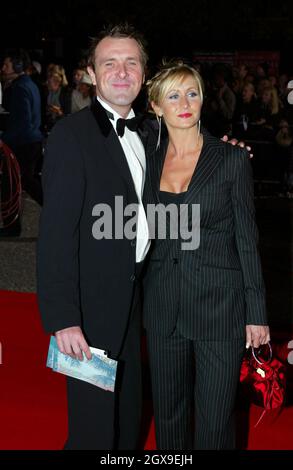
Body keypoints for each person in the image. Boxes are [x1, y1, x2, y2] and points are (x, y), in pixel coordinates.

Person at [143, 61, 270, 450]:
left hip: (220, 307)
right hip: (164, 305)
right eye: (174, 95)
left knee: (215, 420)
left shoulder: (230, 158)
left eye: (193, 93)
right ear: (156, 106)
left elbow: (247, 240)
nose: (185, 102)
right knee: (168, 415)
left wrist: (257, 314)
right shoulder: (143, 159)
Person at [37, 23, 150, 450]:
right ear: (91, 73)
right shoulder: (71, 135)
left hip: (136, 304)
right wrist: (63, 317)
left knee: (127, 422)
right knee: (93, 431)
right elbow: (56, 235)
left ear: (143, 73)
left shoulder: (153, 133)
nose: (121, 72)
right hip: (89, 309)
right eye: (110, 63)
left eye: (131, 62)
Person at [0, 49, 43, 236]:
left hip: (22, 143)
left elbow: (22, 122)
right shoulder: (28, 84)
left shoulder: (19, 88)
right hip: (31, 141)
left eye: (7, 65)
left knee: (13, 184)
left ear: (17, 66)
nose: (3, 68)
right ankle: (12, 227)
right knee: (26, 182)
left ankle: (11, 227)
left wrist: (4, 140)